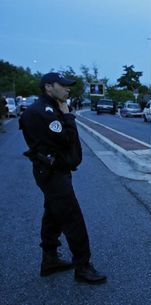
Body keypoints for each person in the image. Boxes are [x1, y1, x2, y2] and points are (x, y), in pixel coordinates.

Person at [19, 72, 107, 284]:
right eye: (64, 85)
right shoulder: (43, 111)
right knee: (72, 218)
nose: (68, 89)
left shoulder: (50, 108)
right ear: (49, 87)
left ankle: (49, 259)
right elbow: (68, 139)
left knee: (53, 213)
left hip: (53, 171)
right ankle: (83, 265)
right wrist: (68, 116)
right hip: (51, 172)